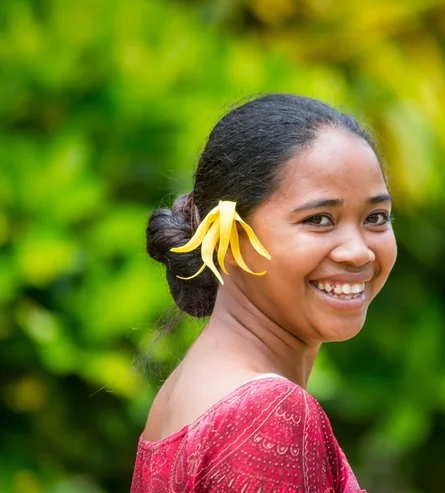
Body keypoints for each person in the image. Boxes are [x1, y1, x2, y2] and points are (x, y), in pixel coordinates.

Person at [131, 94, 397, 492]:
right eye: (319, 219)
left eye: (375, 218)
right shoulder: (267, 412)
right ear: (231, 239)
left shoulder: (189, 392)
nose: (358, 251)